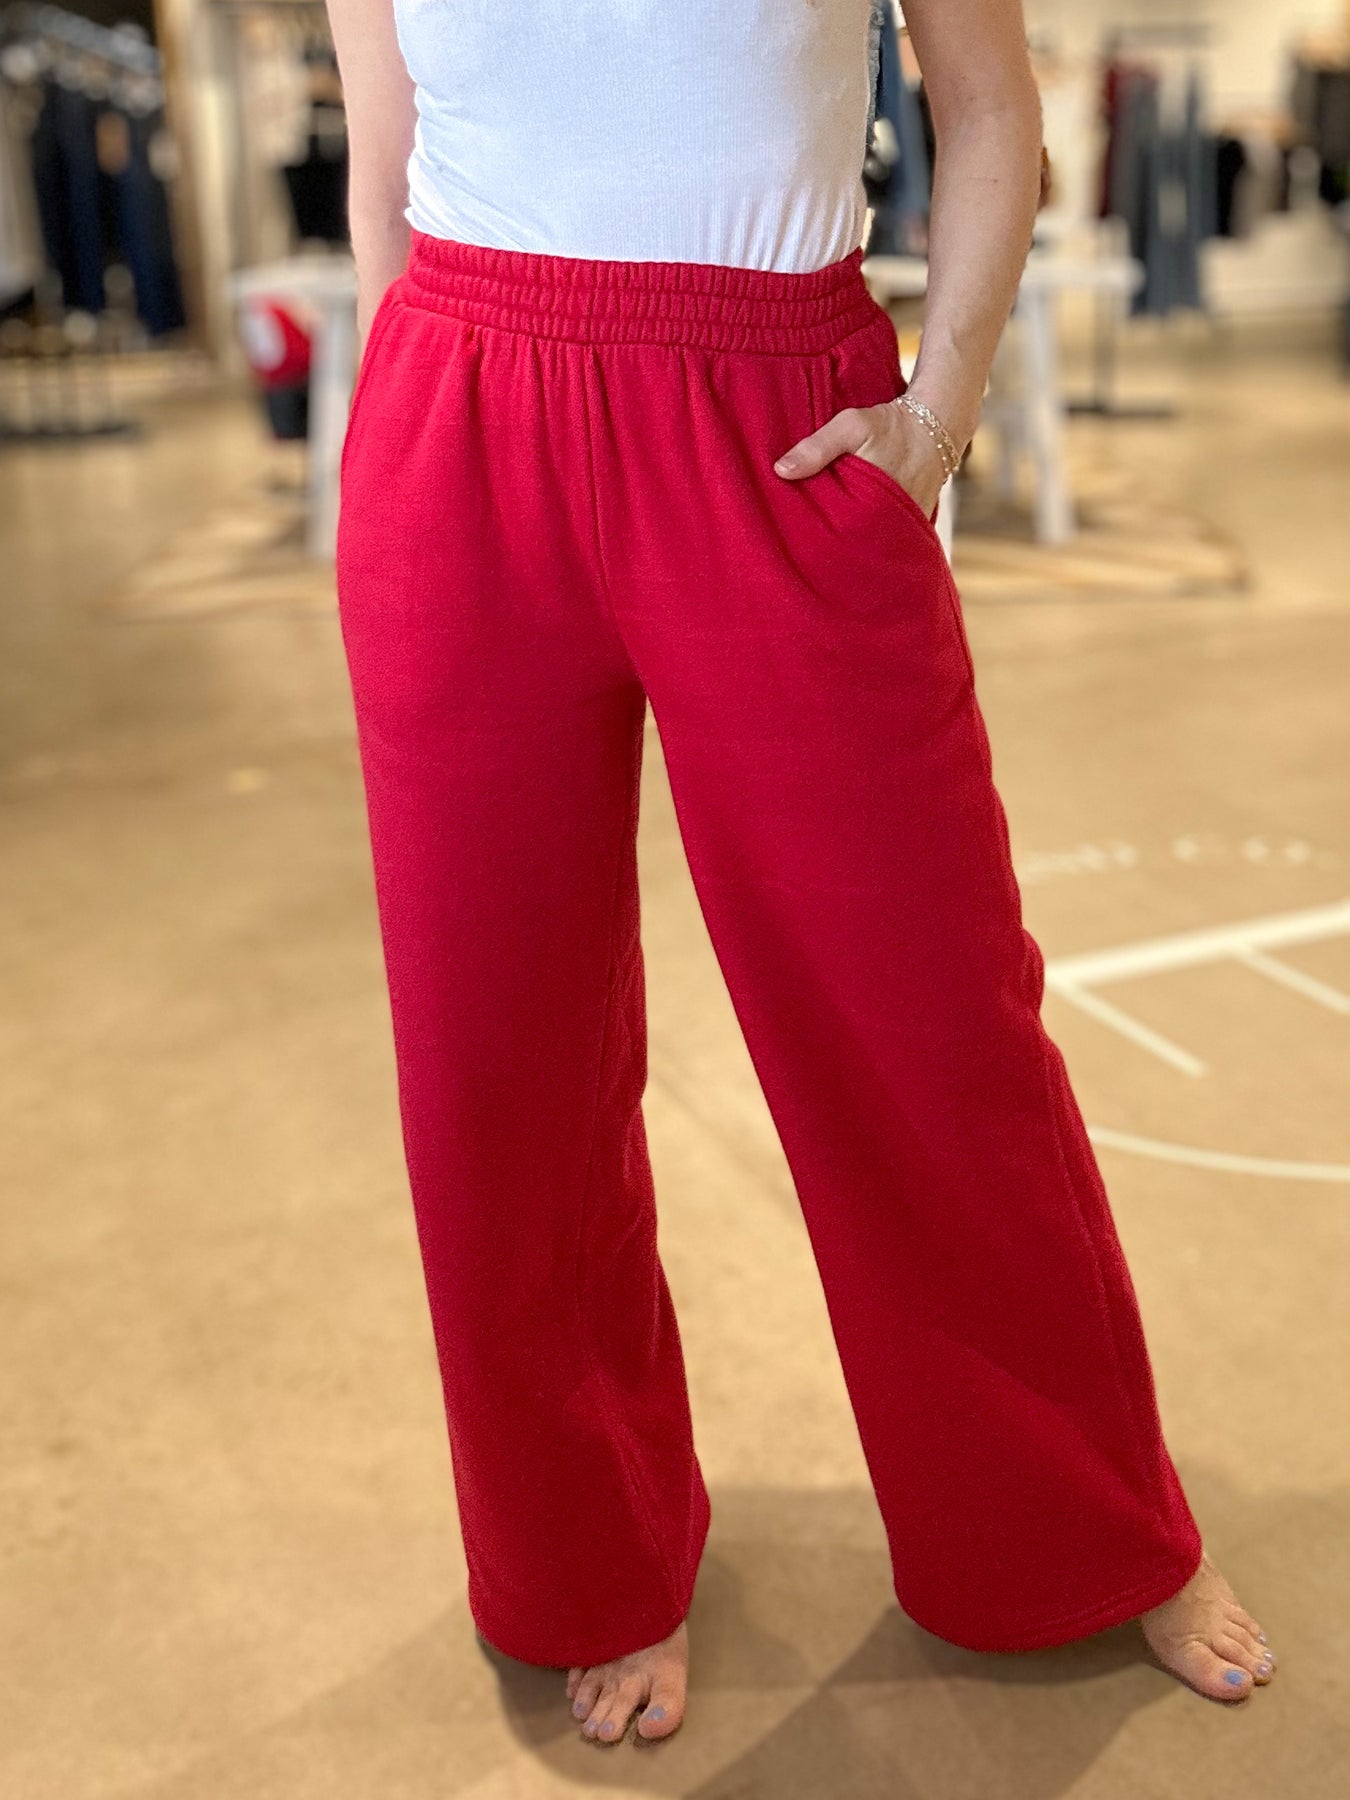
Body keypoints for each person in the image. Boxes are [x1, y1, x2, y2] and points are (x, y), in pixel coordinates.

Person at [323, 0, 1276, 1746]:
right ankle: (585, 1559)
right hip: (456, 421)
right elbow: (383, 168)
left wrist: (938, 415)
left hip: (772, 414)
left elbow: (991, 112)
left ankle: (1072, 1526)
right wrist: (397, 443)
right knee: (496, 1059)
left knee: (926, 1021)